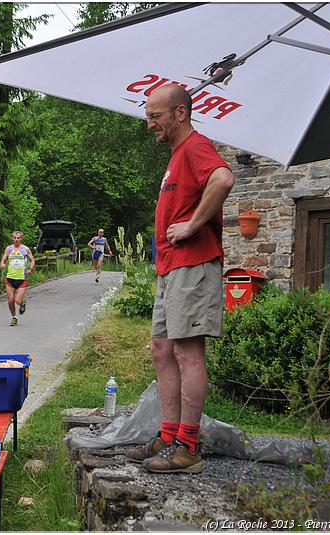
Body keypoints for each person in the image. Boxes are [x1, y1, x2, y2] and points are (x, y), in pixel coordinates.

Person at [125, 84, 234, 474]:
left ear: (181, 113)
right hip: (171, 268)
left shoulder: (196, 147)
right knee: (161, 349)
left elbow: (222, 179)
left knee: (187, 351)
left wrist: (193, 224)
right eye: (148, 116)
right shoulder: (177, 156)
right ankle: (169, 435)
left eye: (155, 116)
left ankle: (187, 448)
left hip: (193, 263)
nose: (150, 123)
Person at [0, 230, 35, 327]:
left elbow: (32, 260)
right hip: (10, 278)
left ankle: (23, 302)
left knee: (18, 301)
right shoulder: (9, 249)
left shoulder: (25, 249)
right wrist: (2, 263)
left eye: (18, 238)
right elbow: (3, 259)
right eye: (15, 238)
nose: (16, 240)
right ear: (12, 238)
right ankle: (14, 317)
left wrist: (30, 269)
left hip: (22, 279)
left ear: (21, 239)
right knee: (10, 300)